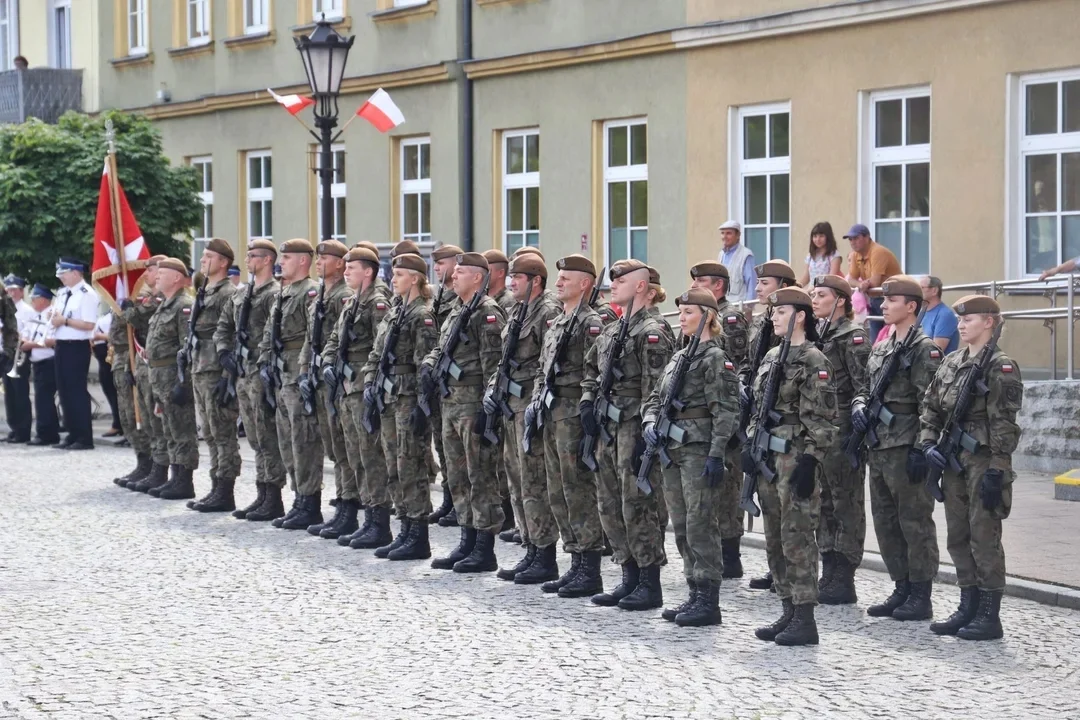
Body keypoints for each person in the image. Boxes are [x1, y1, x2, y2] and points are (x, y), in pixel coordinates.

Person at [920, 295, 1023, 641]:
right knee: (958, 535)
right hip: (951, 461)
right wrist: (929, 444)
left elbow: (1004, 424)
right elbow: (930, 407)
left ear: (989, 323)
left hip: (982, 461)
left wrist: (997, 468)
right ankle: (968, 604)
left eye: (970, 320)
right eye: (959, 320)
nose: (961, 325)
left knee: (984, 537)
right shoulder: (951, 362)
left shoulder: (1000, 366)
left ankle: (989, 615)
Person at [642, 288, 740, 627]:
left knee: (701, 525)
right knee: (681, 525)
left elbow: (725, 410)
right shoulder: (678, 357)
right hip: (672, 450)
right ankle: (693, 590)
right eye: (680, 313)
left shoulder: (715, 358)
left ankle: (708, 598)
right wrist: (650, 421)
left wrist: (716, 455)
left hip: (699, 451)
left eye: (688, 313)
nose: (681, 319)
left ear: (708, 317)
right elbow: (654, 397)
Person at [581, 259, 674, 611]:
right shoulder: (613, 328)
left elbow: (657, 388)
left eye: (620, 280)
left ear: (640, 286)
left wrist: (645, 437)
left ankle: (649, 582)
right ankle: (628, 576)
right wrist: (588, 402)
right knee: (609, 504)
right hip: (607, 427)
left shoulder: (653, 330)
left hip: (634, 428)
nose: (612, 284)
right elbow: (591, 369)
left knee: (638, 505)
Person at [747, 287, 837, 646]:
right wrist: (752, 442)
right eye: (773, 312)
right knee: (774, 538)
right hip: (768, 456)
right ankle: (787, 608)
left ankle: (804, 616)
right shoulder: (771, 355)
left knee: (797, 536)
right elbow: (757, 406)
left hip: (794, 457)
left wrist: (811, 460)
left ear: (800, 316)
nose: (774, 317)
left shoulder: (815, 360)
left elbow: (822, 419)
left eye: (781, 311)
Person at [851, 275, 941, 621]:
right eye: (883, 301)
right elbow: (866, 387)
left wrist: (923, 448)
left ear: (912, 306)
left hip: (906, 446)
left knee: (914, 521)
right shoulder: (884, 345)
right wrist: (859, 405)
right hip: (879, 445)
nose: (883, 306)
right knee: (886, 521)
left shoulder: (924, 348)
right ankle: (901, 586)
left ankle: (921, 593)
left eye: (891, 301)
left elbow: (930, 404)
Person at [422, 252, 507, 573]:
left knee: (479, 476)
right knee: (457, 476)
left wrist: (489, 407)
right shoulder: (458, 309)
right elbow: (439, 349)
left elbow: (494, 365)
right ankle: (467, 540)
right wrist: (429, 366)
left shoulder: (486, 313)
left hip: (472, 405)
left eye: (460, 273)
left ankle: (484, 548)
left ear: (477, 278)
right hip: (450, 403)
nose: (452, 277)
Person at [354, 251, 439, 556]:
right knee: (393, 464)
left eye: (399, 275)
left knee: (411, 465)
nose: (393, 279)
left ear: (415, 278)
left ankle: (418, 534)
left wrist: (421, 405)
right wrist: (370, 385)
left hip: (407, 398)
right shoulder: (394, 312)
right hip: (388, 396)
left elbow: (424, 366)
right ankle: (404, 527)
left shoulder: (422, 315)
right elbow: (376, 355)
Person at [532, 254, 607, 598]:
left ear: (586, 284)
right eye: (558, 277)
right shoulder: (559, 321)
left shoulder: (591, 324)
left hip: (574, 414)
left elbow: (596, 374)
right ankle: (574, 561)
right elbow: (543, 369)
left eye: (566, 278)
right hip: (551, 412)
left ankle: (589, 567)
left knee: (577, 490)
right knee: (557, 490)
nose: (558, 282)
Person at [486, 253, 562, 584]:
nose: (511, 282)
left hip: (531, 405)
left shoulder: (548, 311)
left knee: (533, 480)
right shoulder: (518, 310)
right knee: (516, 479)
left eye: (518, 277)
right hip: (511, 402)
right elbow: (505, 359)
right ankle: (529, 545)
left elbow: (548, 362)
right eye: (512, 277)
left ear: (536, 281)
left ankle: (544, 553)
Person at [319, 247, 391, 541]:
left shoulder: (377, 303)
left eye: (352, 268)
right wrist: (327, 361)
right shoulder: (352, 302)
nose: (345, 271)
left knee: (370, 455)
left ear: (369, 272)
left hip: (364, 387)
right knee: (352, 454)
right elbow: (334, 339)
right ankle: (360, 516)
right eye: (345, 267)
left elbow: (381, 347)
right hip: (346, 388)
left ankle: (378, 521)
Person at [809, 275, 871, 604]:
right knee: (824, 503)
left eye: (821, 295)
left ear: (841, 301)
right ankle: (828, 568)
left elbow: (864, 386)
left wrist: (856, 433)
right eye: (813, 294)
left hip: (843, 430)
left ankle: (844, 575)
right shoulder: (817, 335)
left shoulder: (853, 336)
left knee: (846, 503)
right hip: (820, 430)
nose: (814, 299)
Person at [216, 239, 287, 522]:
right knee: (255, 438)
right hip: (243, 372)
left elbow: (278, 334)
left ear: (267, 260)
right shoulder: (242, 293)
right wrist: (223, 353)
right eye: (247, 255)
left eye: (253, 256)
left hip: (262, 371)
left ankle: (274, 496)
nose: (247, 260)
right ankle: (262, 492)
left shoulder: (274, 293)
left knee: (267, 434)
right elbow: (224, 326)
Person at [688, 260, 750, 578]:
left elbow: (739, 366)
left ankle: (730, 553)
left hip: (726, 410)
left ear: (718, 286)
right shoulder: (697, 316)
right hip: (702, 414)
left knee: (727, 487)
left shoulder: (730, 318)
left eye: (701, 282)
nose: (695, 287)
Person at [740, 259, 797, 591]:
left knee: (792, 506)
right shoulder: (761, 323)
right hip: (759, 411)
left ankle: (797, 574)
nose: (758, 289)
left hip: (787, 424)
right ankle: (777, 570)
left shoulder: (795, 329)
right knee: (769, 499)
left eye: (765, 284)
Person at [259, 239, 323, 530]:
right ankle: (298, 498)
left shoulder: (311, 291)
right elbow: (269, 334)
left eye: (286, 257)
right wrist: (266, 363)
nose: (280, 262)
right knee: (287, 439)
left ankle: (310, 503)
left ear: (302, 261)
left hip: (299, 372)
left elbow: (314, 335)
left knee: (304, 440)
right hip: (282, 372)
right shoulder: (283, 292)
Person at [301, 240, 356, 537]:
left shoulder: (343, 296)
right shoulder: (321, 295)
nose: (319, 263)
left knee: (343, 446)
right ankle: (342, 505)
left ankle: (349, 507)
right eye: (318, 259)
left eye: (326, 259)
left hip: (338, 381)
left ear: (340, 263)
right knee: (334, 445)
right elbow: (313, 340)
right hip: (320, 376)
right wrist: (304, 371)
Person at [186, 239, 241, 513]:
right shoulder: (204, 292)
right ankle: (215, 485)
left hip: (216, 370)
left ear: (223, 263)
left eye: (209, 257)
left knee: (222, 432)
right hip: (200, 367)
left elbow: (230, 334)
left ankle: (225, 490)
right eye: (203, 256)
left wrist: (226, 375)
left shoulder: (227, 293)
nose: (203, 260)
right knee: (208, 432)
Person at [145, 258, 199, 499]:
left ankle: (184, 481)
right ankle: (175, 477)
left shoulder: (183, 305)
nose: (157, 276)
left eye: (162, 273)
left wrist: (184, 383)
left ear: (177, 277)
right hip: (159, 377)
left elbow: (187, 349)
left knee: (182, 430)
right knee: (169, 429)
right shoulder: (164, 304)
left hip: (173, 377)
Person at [122, 256, 171, 493]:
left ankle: (160, 470)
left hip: (158, 367)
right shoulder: (150, 297)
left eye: (152, 270)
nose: (148, 274)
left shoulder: (161, 299)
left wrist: (129, 309)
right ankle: (149, 466)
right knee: (144, 420)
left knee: (157, 421)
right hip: (144, 365)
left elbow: (136, 317)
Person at [427, 243, 463, 527]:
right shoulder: (439, 297)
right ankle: (450, 498)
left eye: (442, 263)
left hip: (460, 386)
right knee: (442, 444)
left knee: (457, 451)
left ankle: (459, 503)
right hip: (440, 382)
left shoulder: (465, 300)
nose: (437, 268)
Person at [50, 259, 98, 450]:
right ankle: (71, 432)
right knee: (64, 391)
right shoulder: (62, 293)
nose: (61, 277)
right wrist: (53, 318)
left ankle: (84, 436)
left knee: (76, 391)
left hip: (77, 346)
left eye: (65, 273)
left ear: (76, 273)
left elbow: (89, 324)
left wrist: (65, 321)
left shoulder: (87, 294)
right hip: (61, 344)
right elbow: (58, 316)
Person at [844, 224, 901, 341]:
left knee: (890, 338)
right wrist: (860, 285)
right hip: (876, 300)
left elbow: (875, 282)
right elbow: (850, 280)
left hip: (893, 299)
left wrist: (864, 284)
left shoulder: (878, 252)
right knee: (875, 341)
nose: (852, 242)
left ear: (867, 237)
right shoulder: (855, 254)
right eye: (850, 239)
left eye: (856, 238)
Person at [22, 284, 60, 446]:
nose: (32, 302)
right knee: (41, 399)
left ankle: (47, 434)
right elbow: (26, 335)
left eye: (34, 299)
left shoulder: (51, 316)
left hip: (48, 362)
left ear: (44, 300)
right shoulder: (36, 317)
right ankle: (46, 432)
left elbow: (52, 341)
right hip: (37, 362)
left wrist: (31, 345)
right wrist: (23, 342)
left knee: (44, 399)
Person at [2, 274, 32, 443]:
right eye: (8, 290)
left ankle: (23, 431)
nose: (11, 293)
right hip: (5, 354)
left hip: (19, 354)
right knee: (9, 394)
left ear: (21, 292)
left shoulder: (27, 311)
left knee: (20, 393)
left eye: (14, 290)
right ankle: (14, 427)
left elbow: (28, 332)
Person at [91, 311, 123, 439]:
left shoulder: (119, 311)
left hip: (111, 351)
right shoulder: (106, 313)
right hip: (101, 354)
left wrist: (100, 336)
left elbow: (119, 334)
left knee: (117, 391)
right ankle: (117, 422)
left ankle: (121, 424)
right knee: (109, 389)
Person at [716, 220, 757, 302]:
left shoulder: (746, 255)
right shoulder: (721, 255)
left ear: (738, 235)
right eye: (722, 233)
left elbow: (752, 285)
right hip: (723, 306)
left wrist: (748, 308)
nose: (724, 236)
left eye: (728, 233)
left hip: (740, 307)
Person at [920, 276, 959, 354]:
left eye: (921, 287)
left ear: (934, 290)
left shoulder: (945, 315)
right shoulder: (921, 312)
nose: (917, 291)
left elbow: (935, 352)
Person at [798, 222, 843, 287]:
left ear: (828, 237)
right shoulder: (810, 255)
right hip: (811, 293)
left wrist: (814, 289)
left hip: (826, 292)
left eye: (821, 236)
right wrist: (796, 287)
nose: (818, 239)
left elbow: (831, 278)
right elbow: (806, 277)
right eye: (815, 236)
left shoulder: (834, 255)